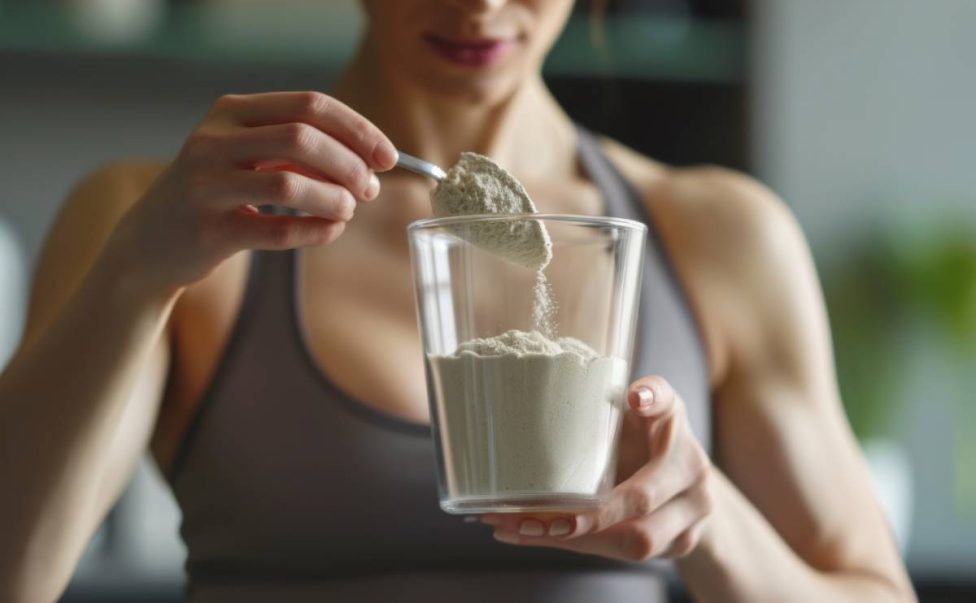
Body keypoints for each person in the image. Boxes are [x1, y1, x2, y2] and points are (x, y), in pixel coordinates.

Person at [0, 1, 917, 602]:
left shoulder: (715, 236)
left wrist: (711, 523)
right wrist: (137, 273)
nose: (478, 4)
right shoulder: (160, 219)